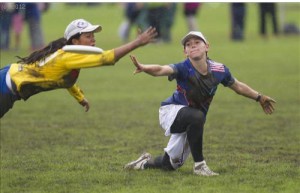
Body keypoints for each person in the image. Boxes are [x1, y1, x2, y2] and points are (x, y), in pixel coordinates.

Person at [124, 31, 276, 176]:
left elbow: (238, 86)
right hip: (171, 112)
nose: (193, 45)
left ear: (207, 46)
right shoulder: (183, 68)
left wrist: (259, 97)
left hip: (192, 120)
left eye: (197, 42)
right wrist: (144, 67)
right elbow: (161, 69)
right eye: (189, 44)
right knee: (197, 116)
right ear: (185, 52)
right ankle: (200, 166)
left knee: (170, 164)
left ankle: (144, 163)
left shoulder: (219, 70)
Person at [0, 18, 157, 118]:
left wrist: (80, 98)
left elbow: (66, 79)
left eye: (93, 36)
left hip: (8, 80)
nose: (93, 40)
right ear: (75, 41)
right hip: (5, 86)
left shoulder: (71, 58)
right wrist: (136, 43)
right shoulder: (67, 57)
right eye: (88, 36)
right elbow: (108, 58)